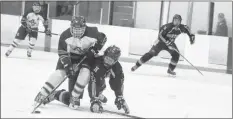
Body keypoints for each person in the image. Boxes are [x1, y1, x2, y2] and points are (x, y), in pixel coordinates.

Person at [33, 16, 107, 109]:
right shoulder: (65, 35)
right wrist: (68, 67)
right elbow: (63, 53)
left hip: (84, 58)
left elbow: (103, 38)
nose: (77, 32)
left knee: (85, 75)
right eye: (75, 29)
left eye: (79, 29)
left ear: (85, 28)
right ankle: (43, 93)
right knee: (60, 73)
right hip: (69, 58)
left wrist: (95, 49)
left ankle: (73, 97)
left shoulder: (93, 32)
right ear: (71, 27)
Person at [49, 45, 130, 114]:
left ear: (115, 61)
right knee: (74, 103)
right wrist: (94, 100)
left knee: (102, 84)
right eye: (107, 58)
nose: (107, 62)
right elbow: (94, 82)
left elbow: (117, 82)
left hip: (92, 76)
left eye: (110, 60)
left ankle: (99, 94)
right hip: (79, 74)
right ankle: (57, 94)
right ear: (104, 55)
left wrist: (119, 96)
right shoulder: (98, 65)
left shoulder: (117, 67)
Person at [131, 14, 195, 76]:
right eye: (175, 20)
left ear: (180, 21)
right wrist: (167, 42)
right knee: (151, 54)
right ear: (173, 20)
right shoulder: (167, 27)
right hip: (160, 43)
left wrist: (191, 36)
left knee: (176, 54)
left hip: (170, 43)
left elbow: (187, 30)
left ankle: (170, 69)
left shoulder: (182, 27)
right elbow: (160, 36)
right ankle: (137, 65)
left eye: (178, 20)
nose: (176, 22)